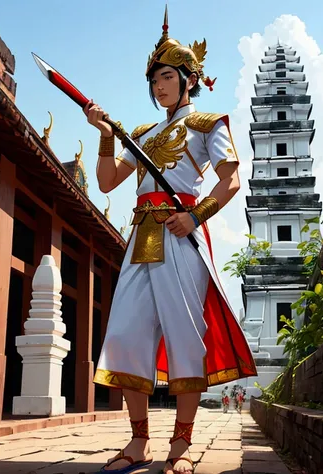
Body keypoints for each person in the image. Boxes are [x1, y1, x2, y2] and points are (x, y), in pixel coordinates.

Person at [84, 7, 257, 474]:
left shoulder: (207, 123)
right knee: (124, 335)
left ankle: (180, 443)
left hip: (180, 236)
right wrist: (104, 135)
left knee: (185, 336)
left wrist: (194, 215)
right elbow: (105, 183)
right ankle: (138, 440)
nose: (158, 87)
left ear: (187, 79)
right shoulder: (139, 134)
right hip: (141, 236)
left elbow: (231, 179)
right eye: (153, 81)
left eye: (165, 77)